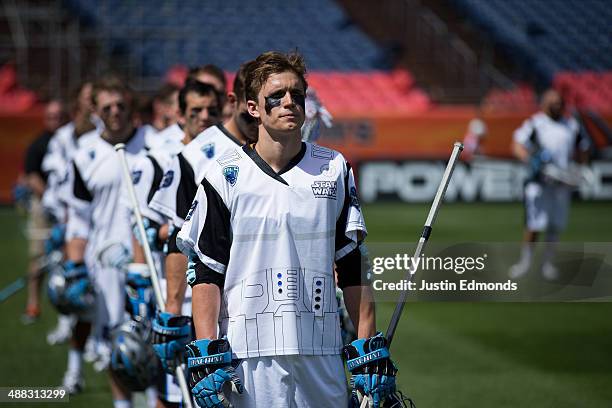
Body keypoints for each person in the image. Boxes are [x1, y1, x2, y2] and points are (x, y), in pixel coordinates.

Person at [177, 51, 398, 408]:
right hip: (247, 352)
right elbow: (206, 272)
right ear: (253, 108)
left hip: (321, 346)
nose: (289, 103)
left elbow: (353, 264)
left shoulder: (334, 168)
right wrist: (206, 350)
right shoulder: (223, 175)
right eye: (276, 96)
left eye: (297, 94)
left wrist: (366, 346)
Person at [147, 64, 258, 406]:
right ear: (237, 100)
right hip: (211, 300)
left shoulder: (284, 150)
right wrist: (172, 309)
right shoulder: (194, 156)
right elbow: (178, 240)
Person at [128, 79, 222, 407]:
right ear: (180, 114)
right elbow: (143, 226)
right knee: (172, 386)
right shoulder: (161, 159)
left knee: (215, 380)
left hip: (221, 284)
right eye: (196, 110)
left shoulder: (235, 152)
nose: (205, 117)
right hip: (176, 283)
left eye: (212, 109)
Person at [62, 75, 150, 405]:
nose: (115, 112)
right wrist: (75, 266)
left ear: (131, 107)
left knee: (153, 338)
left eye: (121, 106)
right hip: (106, 264)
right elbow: (78, 221)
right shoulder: (84, 156)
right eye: (108, 107)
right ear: (96, 111)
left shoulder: (154, 145)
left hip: (151, 260)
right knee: (118, 341)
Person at [41, 81, 101, 345]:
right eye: (87, 98)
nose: (90, 103)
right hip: (71, 220)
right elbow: (57, 180)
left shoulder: (103, 135)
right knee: (73, 284)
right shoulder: (63, 137)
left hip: (98, 222)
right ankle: (68, 329)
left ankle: (100, 341)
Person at [509, 89, 589, 280]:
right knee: (534, 224)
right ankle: (525, 262)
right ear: (544, 103)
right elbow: (517, 145)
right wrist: (531, 160)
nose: (556, 105)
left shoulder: (571, 125)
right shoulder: (535, 124)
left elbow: (583, 148)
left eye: (559, 102)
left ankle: (547, 264)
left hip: (561, 184)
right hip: (539, 183)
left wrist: (578, 170)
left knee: (555, 225)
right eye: (552, 102)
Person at [20, 99, 66, 323]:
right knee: (39, 257)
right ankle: (33, 304)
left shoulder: (70, 141)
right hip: (43, 208)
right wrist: (51, 198)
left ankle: (65, 311)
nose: (55, 120)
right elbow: (31, 176)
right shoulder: (38, 144)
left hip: (69, 209)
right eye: (51, 116)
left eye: (58, 116)